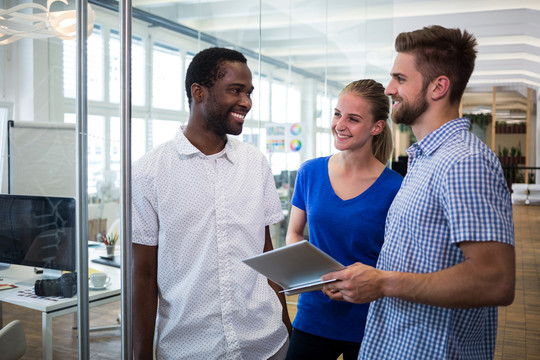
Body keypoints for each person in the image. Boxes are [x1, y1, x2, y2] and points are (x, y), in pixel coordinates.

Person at [322, 25, 516, 359]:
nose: (389, 88)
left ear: (438, 87)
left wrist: (383, 283)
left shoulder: (464, 162)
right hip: (400, 343)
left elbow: (494, 280)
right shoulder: (425, 159)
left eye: (400, 78)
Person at [131, 47, 291, 360]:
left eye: (249, 92)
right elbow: (144, 274)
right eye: (236, 90)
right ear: (199, 92)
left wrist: (287, 326)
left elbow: (266, 252)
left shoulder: (255, 163)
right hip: (188, 348)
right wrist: (140, 354)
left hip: (267, 343)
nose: (246, 102)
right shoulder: (149, 171)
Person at [285, 79, 403, 360]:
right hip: (314, 314)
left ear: (376, 127)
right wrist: (315, 277)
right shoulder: (310, 172)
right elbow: (293, 234)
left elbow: (399, 258)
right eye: (337, 114)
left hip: (370, 322)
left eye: (353, 119)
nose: (340, 124)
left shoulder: (396, 187)